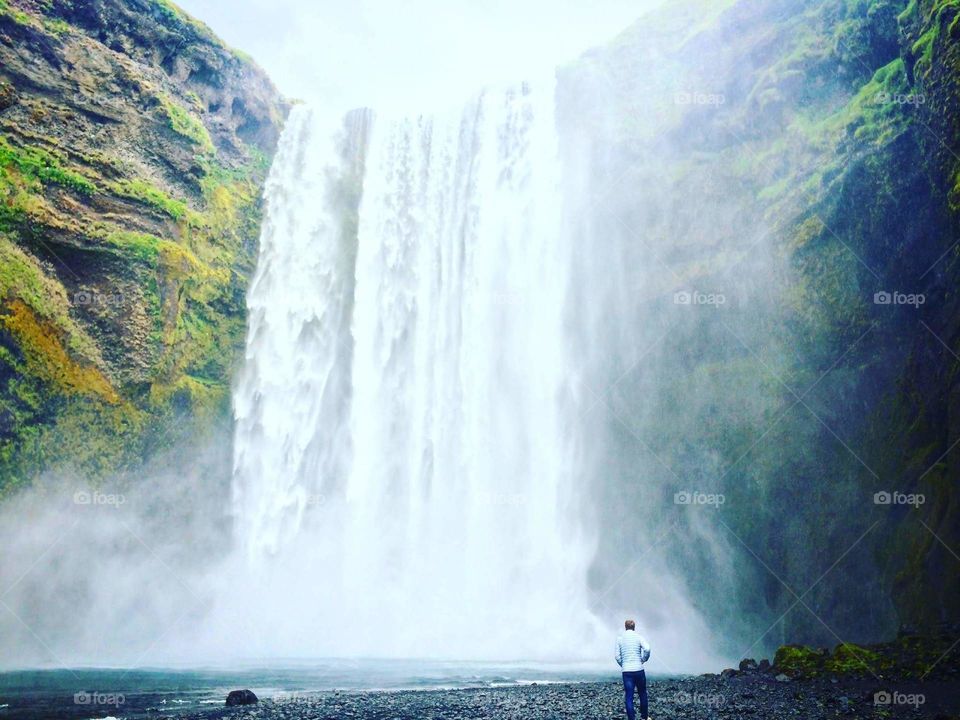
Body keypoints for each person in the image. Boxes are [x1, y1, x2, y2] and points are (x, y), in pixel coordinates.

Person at [615, 619, 651, 720]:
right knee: (642, 693)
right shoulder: (639, 637)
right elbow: (647, 649)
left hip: (627, 672)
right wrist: (643, 659)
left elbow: (617, 656)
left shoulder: (620, 638)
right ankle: (644, 717)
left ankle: (632, 718)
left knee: (629, 696)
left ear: (625, 627)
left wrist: (623, 665)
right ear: (634, 627)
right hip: (639, 669)